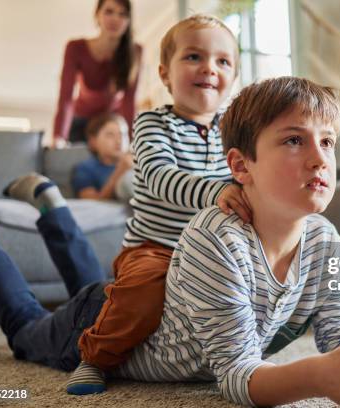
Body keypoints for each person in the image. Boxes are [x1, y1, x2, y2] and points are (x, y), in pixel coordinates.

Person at [0, 76, 340, 408]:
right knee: (24, 330)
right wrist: (319, 380)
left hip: (145, 301)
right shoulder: (218, 240)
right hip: (97, 331)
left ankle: (50, 209)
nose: (320, 159)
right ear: (240, 166)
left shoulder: (324, 239)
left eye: (327, 141)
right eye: (294, 140)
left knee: (91, 281)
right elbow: (235, 378)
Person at [66, 14, 250, 393]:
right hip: (156, 247)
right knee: (142, 295)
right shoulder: (152, 123)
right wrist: (216, 191)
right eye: (194, 57)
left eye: (222, 61)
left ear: (233, 76)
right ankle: (95, 358)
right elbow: (158, 175)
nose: (209, 69)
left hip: (212, 250)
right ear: (165, 74)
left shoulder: (234, 133)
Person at [53, 0, 142, 146]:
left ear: (129, 21)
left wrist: (132, 143)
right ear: (97, 15)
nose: (115, 19)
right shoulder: (76, 48)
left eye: (123, 14)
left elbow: (129, 102)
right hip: (80, 122)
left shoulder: (135, 52)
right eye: (109, 12)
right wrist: (59, 137)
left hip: (112, 125)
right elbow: (66, 98)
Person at [71, 113, 133, 201]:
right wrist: (120, 171)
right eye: (110, 135)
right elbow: (92, 203)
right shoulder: (85, 168)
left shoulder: (139, 160)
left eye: (123, 134)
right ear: (93, 141)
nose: (119, 140)